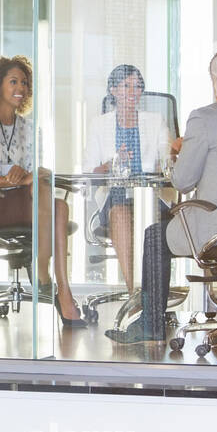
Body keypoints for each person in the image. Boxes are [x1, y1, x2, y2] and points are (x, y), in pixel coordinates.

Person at [106, 46, 217, 344]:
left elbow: (183, 181)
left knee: (154, 237)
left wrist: (181, 158)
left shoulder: (205, 118)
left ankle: (150, 324)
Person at [0, 55, 87, 328]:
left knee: (60, 206)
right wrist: (11, 178)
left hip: (25, 200)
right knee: (54, 205)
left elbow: (32, 175)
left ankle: (61, 289)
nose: (21, 87)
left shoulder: (29, 128)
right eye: (13, 81)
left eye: (25, 82)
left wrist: (31, 175)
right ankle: (46, 278)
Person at [82, 64, 172, 293]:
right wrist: (112, 162)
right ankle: (136, 294)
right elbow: (89, 172)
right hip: (116, 196)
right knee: (121, 214)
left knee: (148, 219)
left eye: (138, 86)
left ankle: (150, 296)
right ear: (113, 90)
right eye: (126, 86)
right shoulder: (99, 125)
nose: (134, 92)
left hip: (151, 195)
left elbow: (166, 156)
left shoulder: (155, 120)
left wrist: (170, 156)